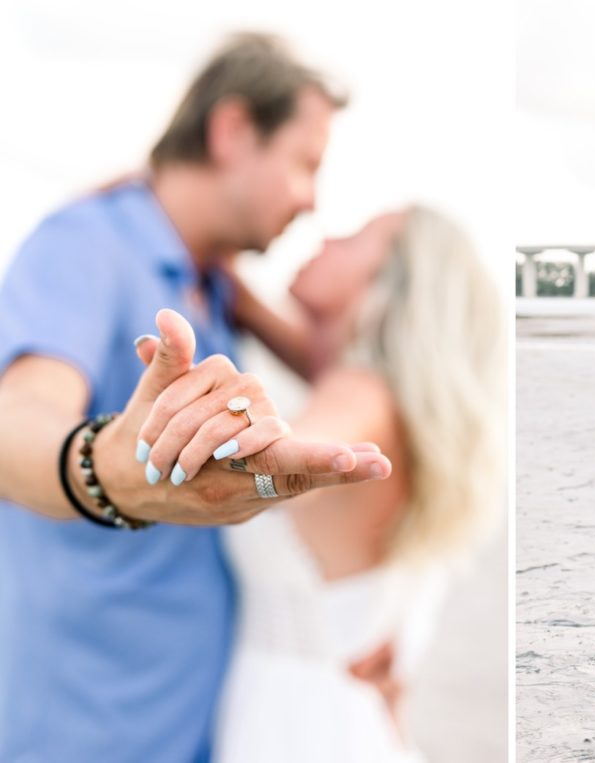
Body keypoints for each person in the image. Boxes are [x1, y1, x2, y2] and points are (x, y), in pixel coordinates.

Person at [0, 34, 391, 762]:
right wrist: (107, 468)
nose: (311, 200)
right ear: (234, 129)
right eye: (305, 164)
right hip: (90, 723)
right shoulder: (86, 242)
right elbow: (12, 421)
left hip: (206, 716)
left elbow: (379, 367)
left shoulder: (209, 280)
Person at [210, 207, 504, 761]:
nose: (327, 235)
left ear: (386, 283)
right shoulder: (388, 400)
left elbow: (287, 457)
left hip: (295, 728)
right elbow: (310, 359)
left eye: (353, 237)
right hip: (341, 719)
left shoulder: (359, 394)